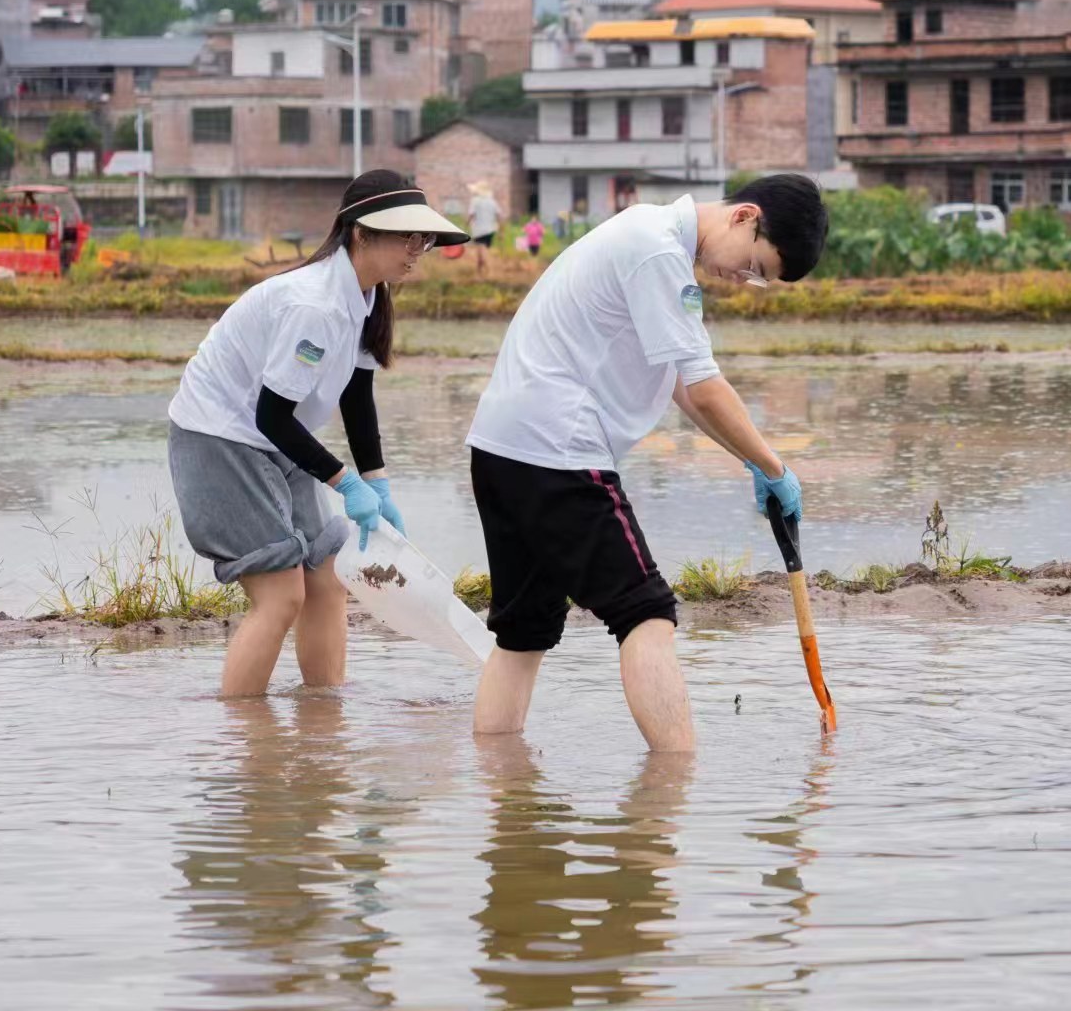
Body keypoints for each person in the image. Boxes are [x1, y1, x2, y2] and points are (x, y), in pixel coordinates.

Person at [466, 173, 830, 751]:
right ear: (744, 217)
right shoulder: (658, 250)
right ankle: (673, 787)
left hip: (502, 449)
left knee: (524, 631)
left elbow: (682, 380)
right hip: (558, 451)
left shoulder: (651, 239)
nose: (744, 279)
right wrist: (775, 467)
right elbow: (704, 388)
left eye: (759, 279)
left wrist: (751, 460)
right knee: (647, 612)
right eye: (754, 266)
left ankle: (503, 789)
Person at [166, 170, 467, 697]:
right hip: (221, 438)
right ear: (361, 234)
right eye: (406, 236)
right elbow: (271, 416)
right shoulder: (314, 305)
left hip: (280, 439)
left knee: (328, 577)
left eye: (423, 238)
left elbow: (356, 393)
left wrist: (377, 482)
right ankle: (242, 730)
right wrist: (345, 484)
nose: (417, 249)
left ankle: (323, 717)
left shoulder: (368, 295)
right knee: (281, 595)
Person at [467, 182, 502, 276]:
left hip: (478, 231)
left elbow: (471, 214)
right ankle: (480, 273)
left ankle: (490, 272)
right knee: (481, 251)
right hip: (490, 230)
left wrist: (466, 225)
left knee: (482, 251)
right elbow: (499, 215)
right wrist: (500, 231)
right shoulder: (492, 201)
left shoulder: (475, 201)